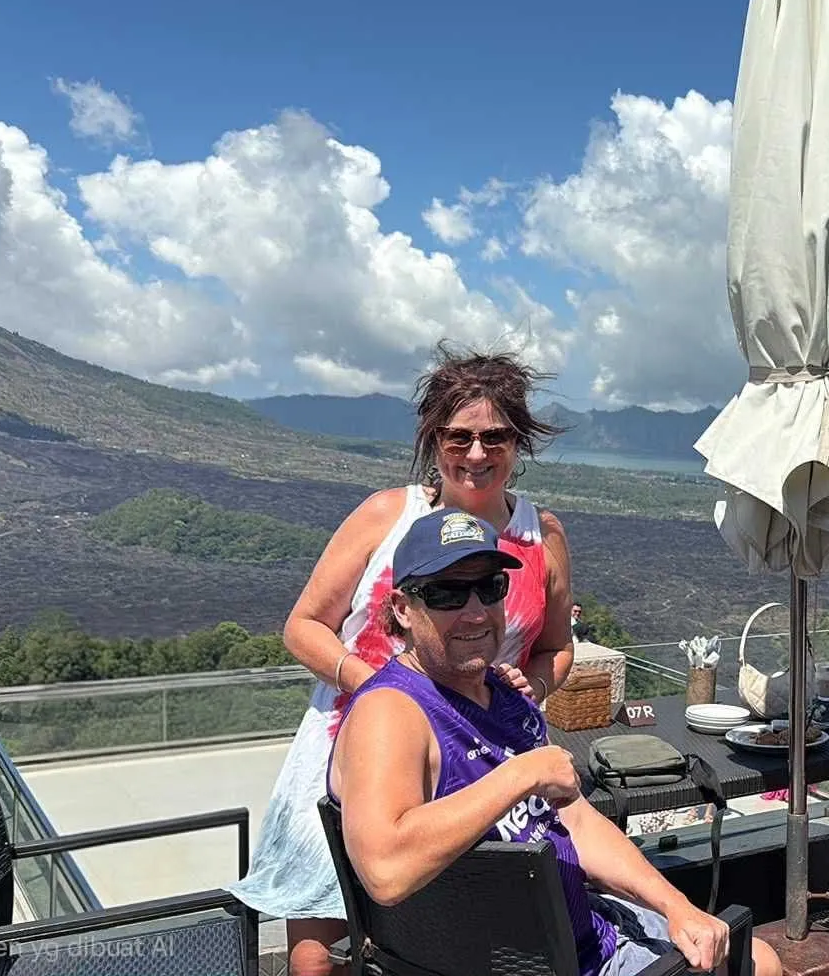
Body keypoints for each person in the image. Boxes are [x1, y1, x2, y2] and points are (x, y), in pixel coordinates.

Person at [229, 345, 578, 976]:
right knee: (318, 957)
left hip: (483, 766)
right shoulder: (386, 516)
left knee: (457, 944)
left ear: (518, 442)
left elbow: (557, 647)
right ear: (433, 440)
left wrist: (532, 685)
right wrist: (380, 690)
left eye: (495, 436)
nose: (477, 454)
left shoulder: (541, 536)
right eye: (459, 436)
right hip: (353, 752)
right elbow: (303, 627)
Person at [328, 508, 779, 976]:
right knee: (755, 966)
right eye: (447, 594)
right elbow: (385, 870)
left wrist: (675, 905)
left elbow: (576, 821)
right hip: (537, 963)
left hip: (583, 929)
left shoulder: (503, 695)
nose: (475, 612)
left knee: (754, 958)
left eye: (490, 588)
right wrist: (522, 774)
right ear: (403, 608)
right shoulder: (392, 712)